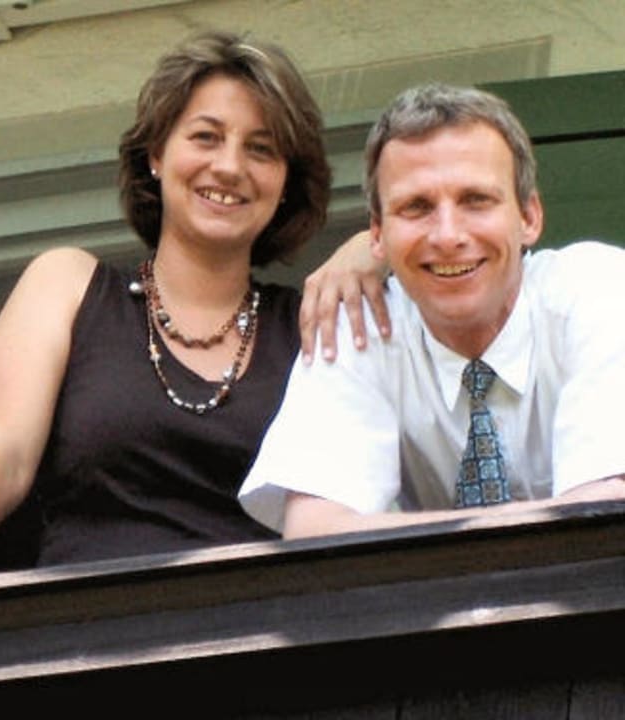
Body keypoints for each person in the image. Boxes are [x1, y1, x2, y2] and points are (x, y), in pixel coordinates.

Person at [0, 28, 356, 638]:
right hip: (79, 648)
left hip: (255, 653)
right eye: (205, 136)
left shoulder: (314, 325)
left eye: (261, 149)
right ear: (156, 154)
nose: (229, 166)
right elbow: (0, 460)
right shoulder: (68, 286)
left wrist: (372, 247)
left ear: (286, 181)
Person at [238, 82, 625, 539]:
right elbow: (315, 531)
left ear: (529, 217)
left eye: (476, 200)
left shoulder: (599, 290)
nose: (447, 235)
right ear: (377, 235)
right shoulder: (359, 324)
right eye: (416, 207)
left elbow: (603, 520)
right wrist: (550, 515)